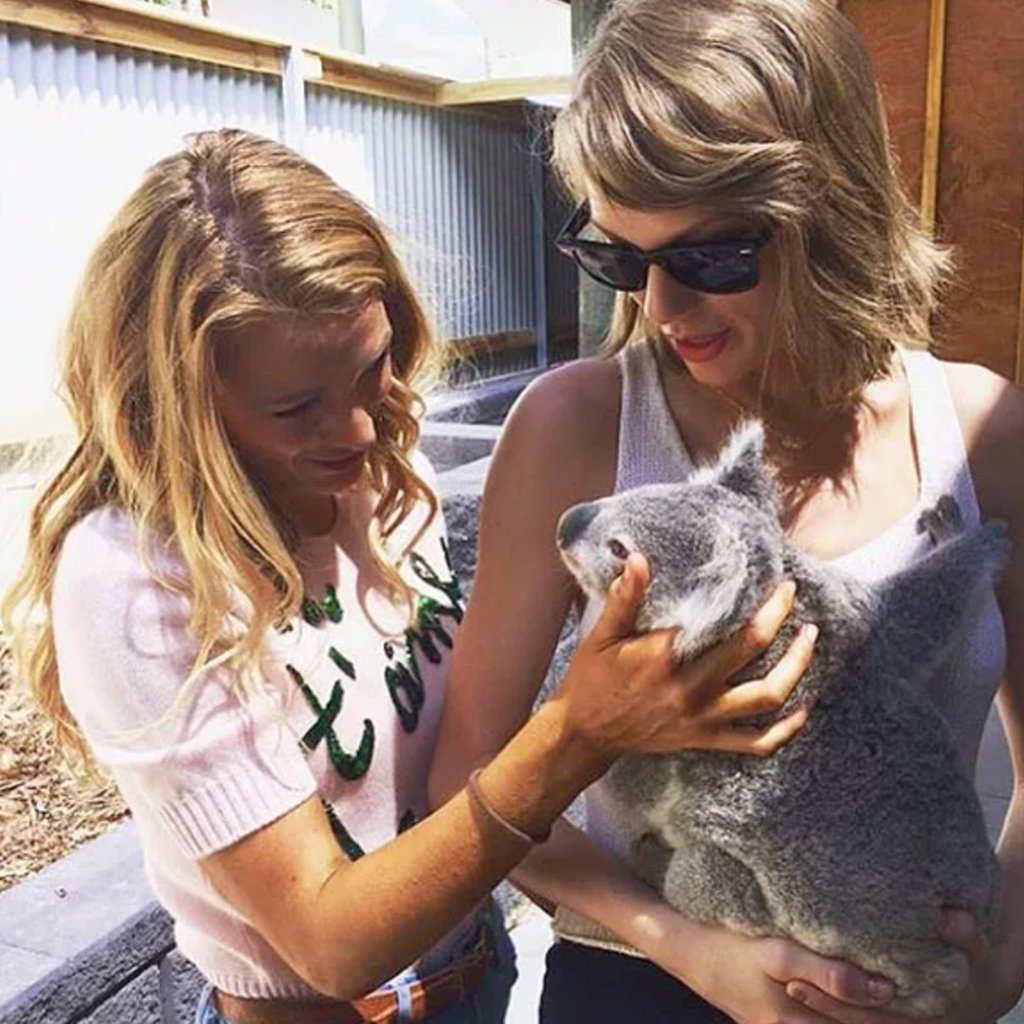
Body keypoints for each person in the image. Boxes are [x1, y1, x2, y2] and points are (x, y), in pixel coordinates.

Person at [0, 128, 823, 1024]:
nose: (359, 429)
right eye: (295, 406)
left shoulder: (390, 481)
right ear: (175, 397)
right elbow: (330, 944)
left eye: (373, 365)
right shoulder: (135, 577)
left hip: (479, 973)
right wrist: (579, 734)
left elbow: (456, 770)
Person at [430, 1, 1024, 1022]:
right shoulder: (576, 428)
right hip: (640, 979)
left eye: (711, 257)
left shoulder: (977, 429)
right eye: (617, 255)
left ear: (831, 209)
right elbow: (467, 776)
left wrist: (998, 970)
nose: (660, 307)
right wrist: (691, 949)